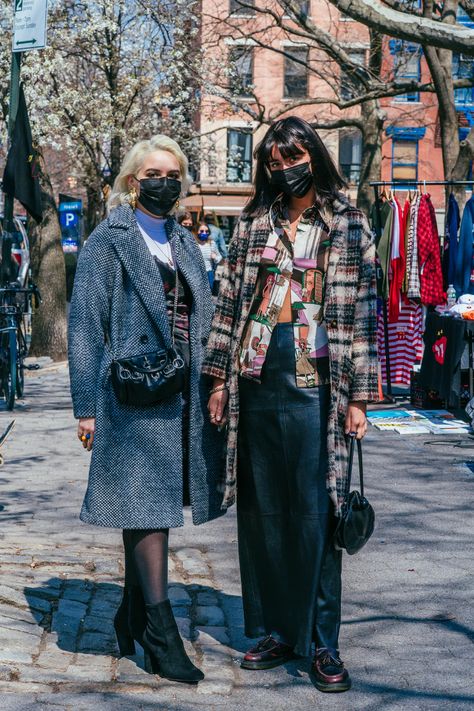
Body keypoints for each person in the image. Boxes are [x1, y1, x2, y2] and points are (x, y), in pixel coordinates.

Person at [203, 116, 378, 693]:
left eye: (294, 157)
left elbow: (363, 311)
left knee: (317, 512)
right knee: (262, 510)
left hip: (317, 374)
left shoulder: (346, 220)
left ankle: (323, 643)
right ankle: (275, 630)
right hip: (256, 369)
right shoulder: (255, 220)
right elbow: (228, 300)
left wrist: (359, 395)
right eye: (275, 163)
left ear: (314, 156)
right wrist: (219, 378)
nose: (285, 169)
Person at [68, 135, 225, 684]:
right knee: (146, 506)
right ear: (135, 180)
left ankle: (131, 614)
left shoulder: (182, 240)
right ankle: (160, 631)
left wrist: (211, 382)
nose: (165, 182)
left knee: (156, 505)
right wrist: (85, 405)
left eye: (174, 173)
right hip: (130, 393)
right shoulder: (106, 241)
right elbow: (85, 325)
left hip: (179, 390)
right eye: (155, 172)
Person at [194, 221, 222, 289]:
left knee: (209, 295)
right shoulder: (193, 244)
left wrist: (215, 257)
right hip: (196, 273)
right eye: (202, 231)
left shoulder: (211, 243)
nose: (204, 233)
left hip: (209, 273)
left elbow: (219, 257)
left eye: (206, 231)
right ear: (197, 231)